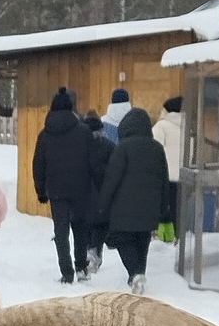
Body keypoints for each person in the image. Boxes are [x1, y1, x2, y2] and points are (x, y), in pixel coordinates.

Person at [98, 105, 172, 294]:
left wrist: (102, 205)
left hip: (124, 209)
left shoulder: (122, 149)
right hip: (150, 208)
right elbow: (164, 179)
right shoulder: (157, 149)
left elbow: (111, 179)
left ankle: (134, 274)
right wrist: (164, 207)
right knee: (142, 241)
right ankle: (139, 274)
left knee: (123, 239)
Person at [31, 87, 94, 284]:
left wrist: (41, 191)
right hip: (80, 189)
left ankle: (67, 273)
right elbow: (93, 161)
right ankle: (81, 267)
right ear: (71, 108)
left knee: (61, 231)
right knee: (80, 229)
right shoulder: (84, 132)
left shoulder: (45, 134)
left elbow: (38, 164)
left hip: (56, 191)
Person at [79, 110, 115, 279]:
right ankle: (96, 251)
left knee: (85, 225)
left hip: (84, 192)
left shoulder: (79, 144)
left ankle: (87, 251)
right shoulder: (108, 145)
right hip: (103, 192)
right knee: (101, 226)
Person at [153, 96, 186, 233]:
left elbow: (154, 150)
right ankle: (178, 235)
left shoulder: (161, 127)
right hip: (183, 175)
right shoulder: (188, 126)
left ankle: (164, 238)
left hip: (165, 175)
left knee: (164, 210)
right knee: (179, 209)